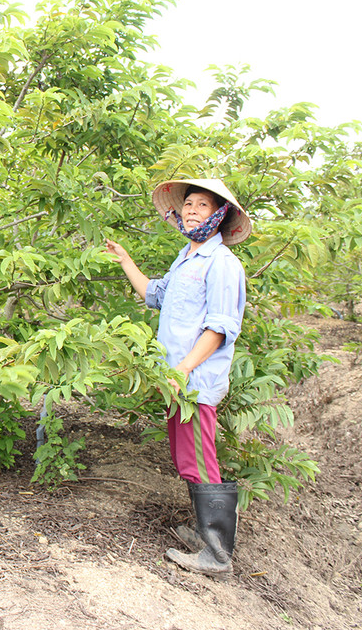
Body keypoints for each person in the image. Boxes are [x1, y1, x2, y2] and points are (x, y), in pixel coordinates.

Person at [105, 178, 252, 577]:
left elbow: (220, 328)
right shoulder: (186, 257)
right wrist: (125, 260)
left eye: (202, 205)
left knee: (200, 459)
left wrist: (183, 368)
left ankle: (217, 553)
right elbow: (155, 295)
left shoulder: (223, 264)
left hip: (194, 382)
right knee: (186, 456)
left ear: (219, 215)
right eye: (188, 203)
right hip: (176, 380)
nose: (191, 210)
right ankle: (204, 532)